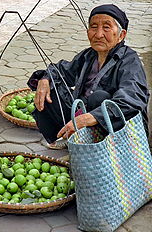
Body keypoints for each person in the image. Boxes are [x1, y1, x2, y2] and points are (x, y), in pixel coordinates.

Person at [27, 4, 150, 149]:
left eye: (106, 27)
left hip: (119, 132)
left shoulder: (129, 61)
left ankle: (96, 149)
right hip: (84, 114)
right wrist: (45, 79)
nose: (98, 34)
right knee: (52, 86)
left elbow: (132, 100)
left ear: (121, 35)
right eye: (94, 27)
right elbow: (61, 70)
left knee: (99, 98)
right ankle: (66, 138)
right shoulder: (89, 55)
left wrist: (92, 117)